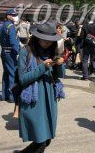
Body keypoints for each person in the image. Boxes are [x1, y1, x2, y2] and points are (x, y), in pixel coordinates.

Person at [15, 21, 65, 153]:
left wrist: (60, 64)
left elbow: (60, 75)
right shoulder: (26, 52)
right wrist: (43, 67)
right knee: (40, 139)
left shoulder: (53, 51)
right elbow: (23, 79)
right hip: (33, 99)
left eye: (50, 40)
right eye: (44, 40)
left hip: (49, 97)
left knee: (47, 138)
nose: (47, 43)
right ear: (37, 37)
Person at [0, 9, 20, 102]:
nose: (15, 16)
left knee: (6, 73)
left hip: (4, 51)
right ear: (8, 16)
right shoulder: (11, 26)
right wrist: (18, 51)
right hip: (10, 52)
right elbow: (13, 41)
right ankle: (11, 96)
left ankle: (5, 95)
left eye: (15, 15)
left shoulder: (2, 26)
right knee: (12, 73)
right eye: (13, 15)